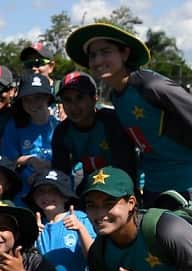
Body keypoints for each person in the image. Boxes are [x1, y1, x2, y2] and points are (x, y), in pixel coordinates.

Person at [66, 23, 192, 206]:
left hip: (186, 184)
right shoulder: (116, 96)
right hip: (155, 187)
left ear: (124, 53)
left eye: (105, 51)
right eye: (93, 55)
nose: (98, 60)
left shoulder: (152, 87)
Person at [51, 71, 137, 188]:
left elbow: (127, 168)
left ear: (94, 98)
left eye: (79, 98)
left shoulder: (112, 123)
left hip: (120, 186)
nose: (74, 106)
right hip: (89, 188)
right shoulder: (62, 132)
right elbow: (61, 175)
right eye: (67, 100)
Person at [26, 169, 94, 271]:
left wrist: (81, 230)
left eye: (54, 191)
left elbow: (94, 259)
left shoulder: (79, 219)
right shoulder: (36, 226)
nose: (47, 196)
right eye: (41, 191)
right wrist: (30, 239)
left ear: (65, 196)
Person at [0, 73, 58, 198]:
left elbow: (68, 162)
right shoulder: (14, 126)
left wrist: (46, 171)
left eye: (38, 97)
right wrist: (29, 160)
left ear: (48, 98)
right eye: (27, 99)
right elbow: (7, 160)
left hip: (55, 190)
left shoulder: (59, 127)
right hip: (24, 191)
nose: (33, 103)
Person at [20, 41, 64, 120]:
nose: (33, 68)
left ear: (51, 66)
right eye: (29, 64)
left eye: (38, 63)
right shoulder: (20, 93)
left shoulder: (62, 89)